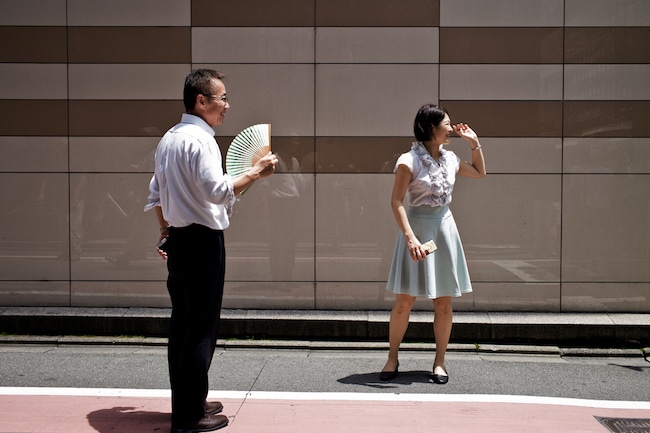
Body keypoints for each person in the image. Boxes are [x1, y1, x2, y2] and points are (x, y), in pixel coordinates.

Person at [145, 69, 277, 433]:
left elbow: (155, 194)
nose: (227, 106)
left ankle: (187, 403)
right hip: (203, 240)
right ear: (201, 101)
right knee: (201, 327)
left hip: (179, 240)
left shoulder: (169, 138)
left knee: (183, 325)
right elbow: (217, 191)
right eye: (222, 99)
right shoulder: (201, 140)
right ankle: (192, 415)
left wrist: (165, 232)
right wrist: (256, 172)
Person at [380, 104, 486, 384]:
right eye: (447, 124)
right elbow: (396, 202)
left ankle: (440, 362)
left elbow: (479, 172)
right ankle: (392, 357)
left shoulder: (450, 159)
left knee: (444, 302)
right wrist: (410, 238)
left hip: (444, 229)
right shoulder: (408, 160)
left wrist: (475, 144)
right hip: (415, 231)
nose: (451, 129)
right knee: (404, 301)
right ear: (431, 128)